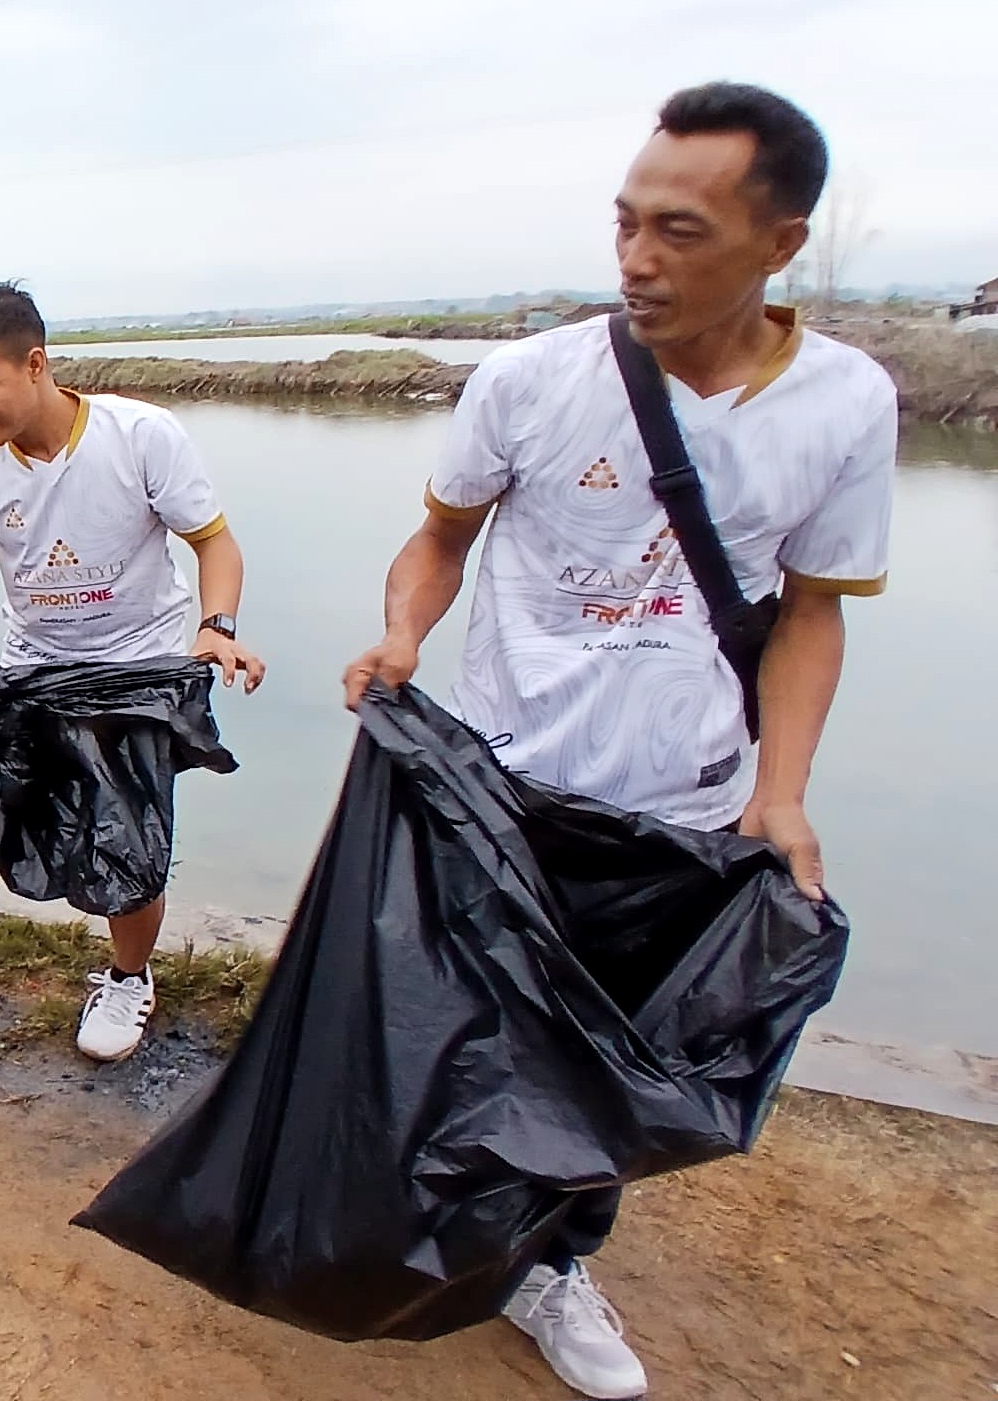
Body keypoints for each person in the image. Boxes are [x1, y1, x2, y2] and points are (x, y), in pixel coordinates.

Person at [340, 83, 891, 1400]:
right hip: (501, 793)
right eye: (625, 224)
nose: (637, 259)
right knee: (455, 1039)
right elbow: (440, 540)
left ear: (780, 243)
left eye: (681, 231)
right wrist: (407, 634)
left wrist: (785, 791)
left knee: (607, 1074)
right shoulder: (532, 380)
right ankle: (434, 1228)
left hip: (681, 818)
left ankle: (553, 1263)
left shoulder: (847, 405)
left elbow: (812, 614)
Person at [0, 283, 264, 1063]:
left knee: (131, 837)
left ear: (37, 363)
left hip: (135, 670)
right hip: (32, 671)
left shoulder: (141, 437)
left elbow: (215, 546)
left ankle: (127, 977)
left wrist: (216, 629)